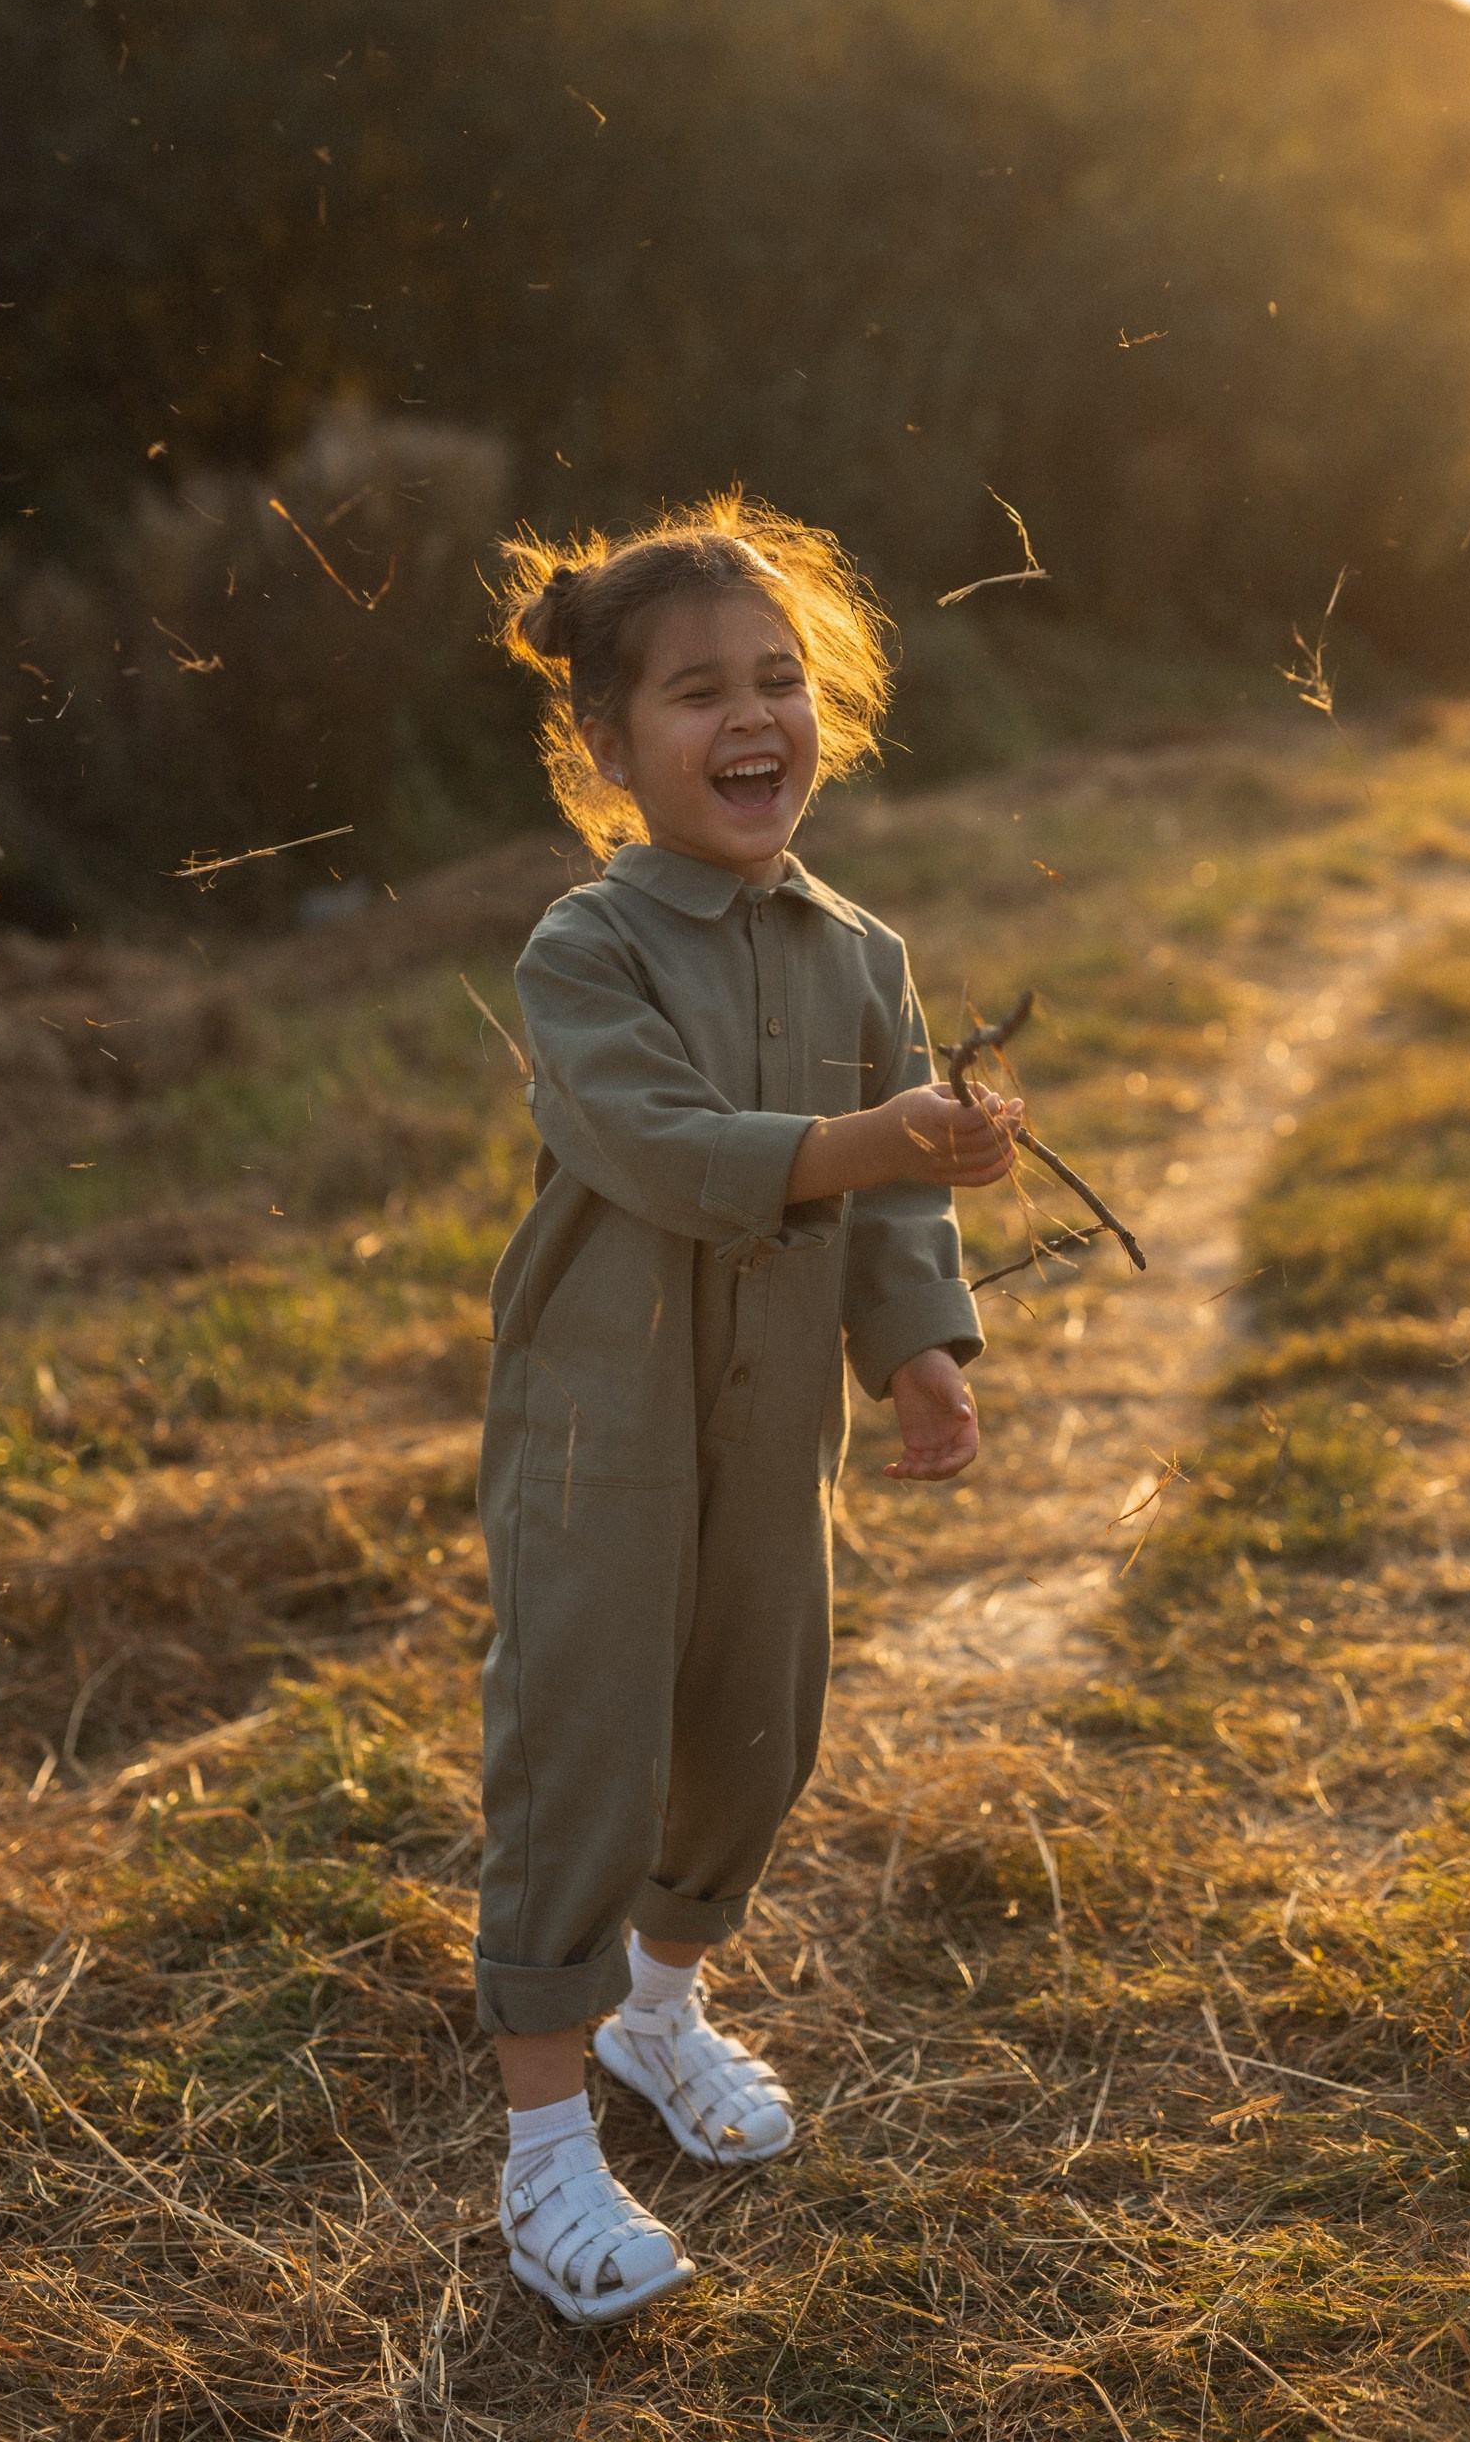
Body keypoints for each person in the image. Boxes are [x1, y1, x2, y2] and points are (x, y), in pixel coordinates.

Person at [477, 495, 1021, 2323]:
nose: (751, 717)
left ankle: (659, 2012)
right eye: (698, 689)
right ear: (610, 742)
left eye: (780, 679)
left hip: (777, 1425)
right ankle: (544, 2148)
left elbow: (893, 1205)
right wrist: (874, 1139)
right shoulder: (587, 949)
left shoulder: (862, 955)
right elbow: (658, 1143)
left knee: (753, 1717)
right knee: (589, 1736)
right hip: (599, 1425)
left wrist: (920, 1346)